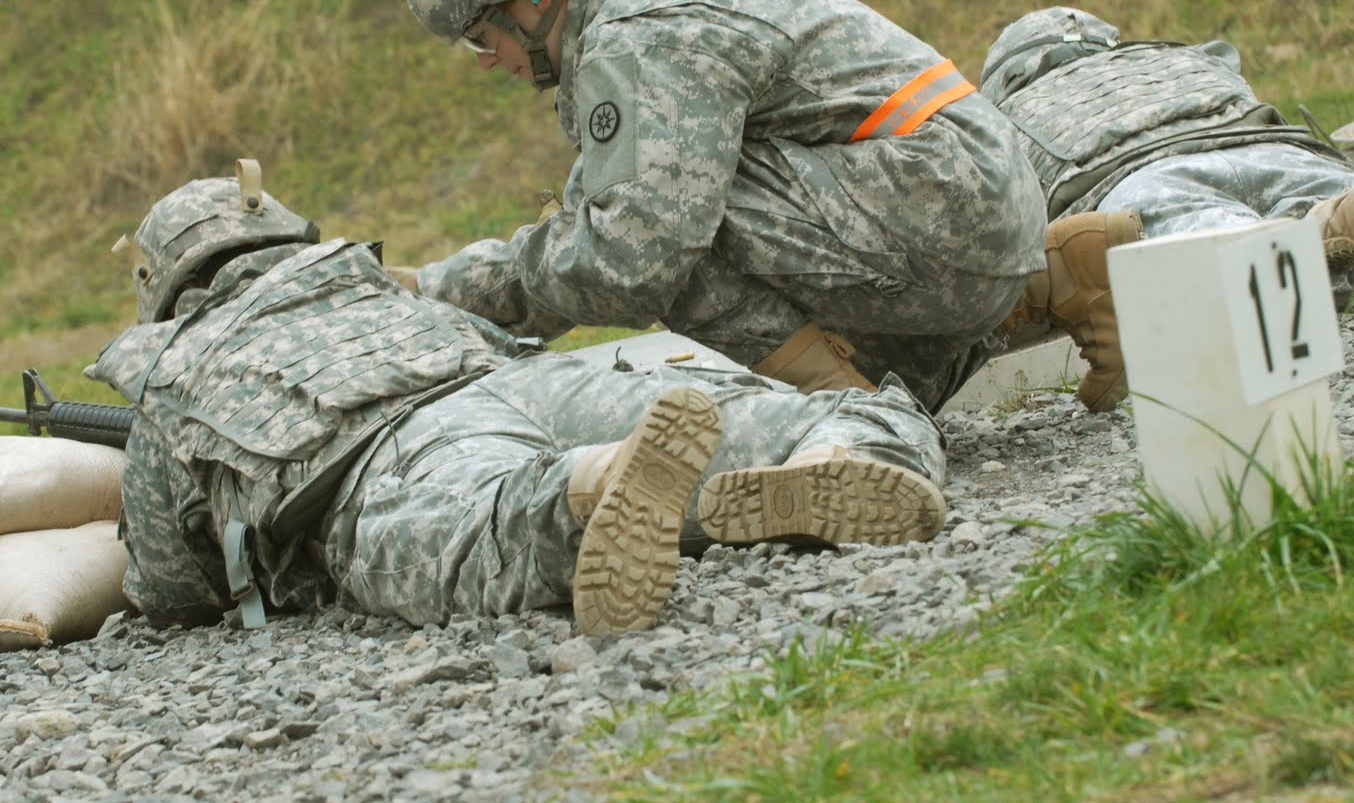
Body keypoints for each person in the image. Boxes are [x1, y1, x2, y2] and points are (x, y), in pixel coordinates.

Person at [393, 0, 1140, 417]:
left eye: (479, 36)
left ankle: (851, 429)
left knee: (665, 237)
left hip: (945, 203)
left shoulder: (637, 38)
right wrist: (449, 288)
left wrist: (448, 293)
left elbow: (630, 256)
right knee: (665, 210)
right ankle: (1058, 275)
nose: (488, 60)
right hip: (962, 194)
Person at [86, 161, 950, 637]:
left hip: (388, 452)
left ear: (163, 289)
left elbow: (175, 587)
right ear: (280, 232)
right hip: (523, 379)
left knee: (482, 526)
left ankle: (596, 483)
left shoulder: (171, 365)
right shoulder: (370, 280)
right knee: (823, 407)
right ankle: (836, 458)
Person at [979, 6, 1354, 301]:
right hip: (1272, 148)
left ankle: (1278, 256)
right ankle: (1342, 213)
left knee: (1214, 249)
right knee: (1338, 202)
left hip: (1139, 180)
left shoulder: (1003, 119)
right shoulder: (1181, 56)